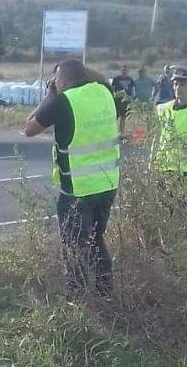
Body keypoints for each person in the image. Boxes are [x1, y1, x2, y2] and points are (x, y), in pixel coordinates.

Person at [23, 58, 121, 295]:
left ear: (61, 80)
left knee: (74, 247)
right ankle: (105, 293)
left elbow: (29, 129)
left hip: (78, 190)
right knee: (96, 241)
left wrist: (50, 95)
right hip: (107, 184)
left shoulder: (63, 101)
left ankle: (77, 297)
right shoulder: (104, 91)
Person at [111, 65, 135, 135]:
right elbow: (112, 89)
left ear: (128, 71)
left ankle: (121, 132)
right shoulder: (116, 79)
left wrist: (132, 98)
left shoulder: (130, 79)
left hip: (126, 101)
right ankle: (113, 132)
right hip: (118, 100)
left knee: (123, 117)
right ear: (121, 71)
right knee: (115, 117)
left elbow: (132, 90)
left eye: (126, 70)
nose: (124, 72)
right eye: (123, 70)